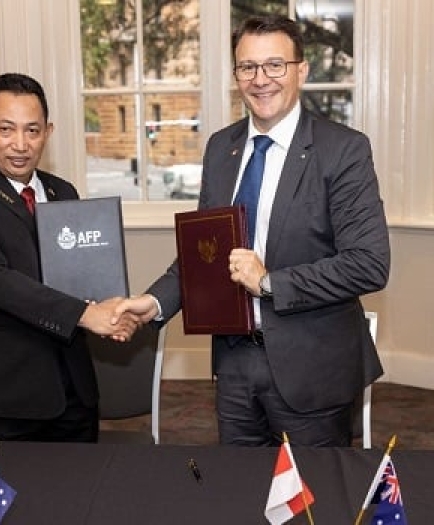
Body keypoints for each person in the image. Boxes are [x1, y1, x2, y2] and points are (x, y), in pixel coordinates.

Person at [113, 15, 390, 447]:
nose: (261, 79)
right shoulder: (222, 148)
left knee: (311, 503)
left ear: (302, 70)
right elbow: (204, 252)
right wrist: (155, 302)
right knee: (238, 493)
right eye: (248, 67)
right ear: (236, 74)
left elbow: (368, 265)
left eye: (275, 65)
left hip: (311, 368)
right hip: (235, 365)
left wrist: (268, 283)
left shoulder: (343, 149)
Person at [0, 73, 137, 443]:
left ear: (48, 131)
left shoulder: (63, 191)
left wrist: (112, 311)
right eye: (6, 129)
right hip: (6, 395)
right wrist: (89, 315)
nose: (20, 145)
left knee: (80, 495)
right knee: (13, 499)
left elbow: (82, 274)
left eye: (33, 130)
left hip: (75, 388)